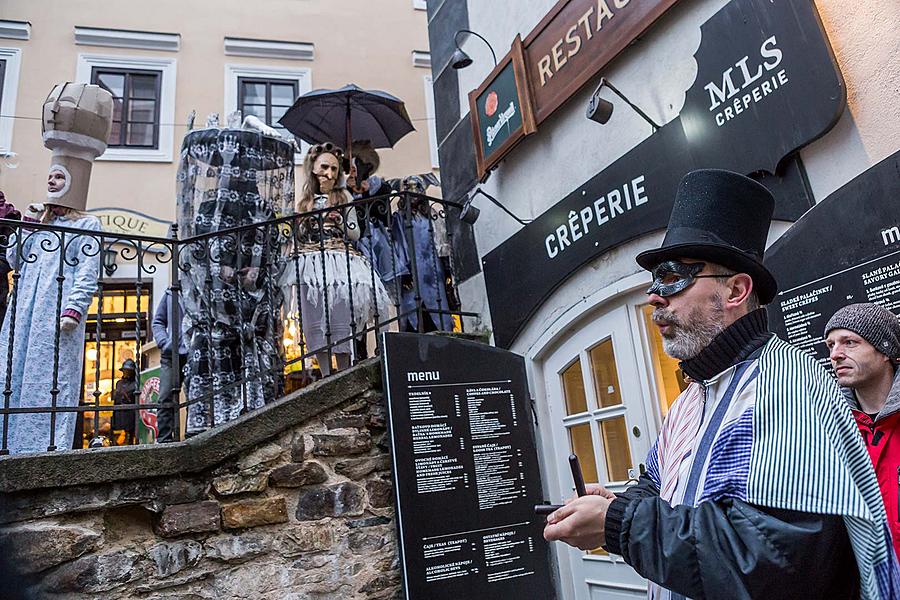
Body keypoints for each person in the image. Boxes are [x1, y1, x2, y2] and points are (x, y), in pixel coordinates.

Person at [543, 169, 899, 599]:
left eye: (673, 276)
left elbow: (770, 556)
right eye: (654, 281)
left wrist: (617, 523)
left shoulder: (787, 385)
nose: (655, 296)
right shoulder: (693, 395)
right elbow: (658, 485)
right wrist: (617, 504)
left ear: (735, 291)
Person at [287, 142, 389, 376]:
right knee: (315, 316)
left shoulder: (344, 197)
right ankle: (324, 374)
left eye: (334, 169)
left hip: (340, 260)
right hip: (310, 263)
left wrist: (341, 220)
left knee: (341, 315)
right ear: (313, 168)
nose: (330, 174)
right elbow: (300, 236)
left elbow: (355, 232)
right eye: (325, 167)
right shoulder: (304, 202)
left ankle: (344, 370)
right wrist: (304, 221)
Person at [825, 302, 900, 559]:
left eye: (849, 342)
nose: (835, 354)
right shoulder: (829, 431)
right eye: (830, 345)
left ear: (885, 350)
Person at [152, 289, 189, 442]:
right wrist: (164, 342)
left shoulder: (198, 288)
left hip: (195, 352)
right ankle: (164, 440)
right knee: (165, 397)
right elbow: (158, 321)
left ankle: (194, 435)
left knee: (195, 397)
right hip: (170, 354)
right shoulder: (169, 293)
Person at [111, 358, 138, 445]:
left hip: (130, 412)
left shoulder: (135, 383)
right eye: (125, 370)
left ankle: (130, 440)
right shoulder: (119, 383)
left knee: (130, 432)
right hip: (120, 412)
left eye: (128, 370)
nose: (126, 372)